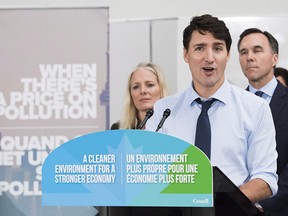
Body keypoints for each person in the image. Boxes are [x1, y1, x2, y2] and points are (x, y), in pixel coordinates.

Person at [145, 14, 278, 204]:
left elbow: (266, 179)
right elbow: (149, 173)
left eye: (218, 48)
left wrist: (220, 204)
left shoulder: (256, 108)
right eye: (199, 48)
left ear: (228, 54)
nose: (209, 58)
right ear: (186, 54)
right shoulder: (163, 110)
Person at [238, 28, 288, 216]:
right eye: (244, 52)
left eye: (257, 50)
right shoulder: (231, 105)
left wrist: (263, 207)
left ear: (274, 58)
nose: (249, 57)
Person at [110, 62, 168, 129]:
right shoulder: (118, 130)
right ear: (130, 94)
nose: (143, 91)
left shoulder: (175, 127)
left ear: (161, 89)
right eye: (136, 87)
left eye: (150, 85)